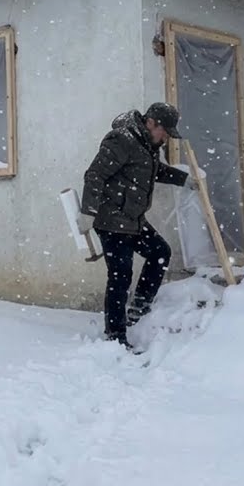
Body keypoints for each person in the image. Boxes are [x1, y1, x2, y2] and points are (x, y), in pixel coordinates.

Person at [77, 102, 199, 349]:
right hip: (111, 220)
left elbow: (154, 171)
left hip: (132, 219)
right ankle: (115, 337)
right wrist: (88, 212)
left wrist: (183, 179)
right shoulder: (122, 139)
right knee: (120, 277)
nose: (165, 138)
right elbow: (95, 174)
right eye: (164, 131)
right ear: (151, 122)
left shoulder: (148, 145)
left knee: (160, 252)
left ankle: (139, 308)